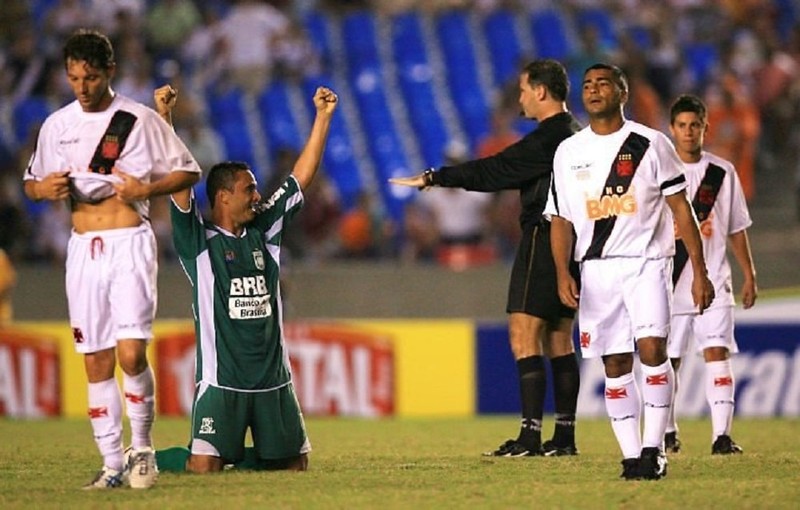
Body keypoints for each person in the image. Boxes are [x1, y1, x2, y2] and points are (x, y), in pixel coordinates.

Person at [22, 29, 201, 489]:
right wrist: (42, 190)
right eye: (74, 78)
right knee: (96, 362)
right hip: (82, 248)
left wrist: (146, 189)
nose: (82, 88)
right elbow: (33, 182)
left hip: (128, 241)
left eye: (91, 78)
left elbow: (187, 169)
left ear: (110, 72)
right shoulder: (56, 126)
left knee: (131, 353)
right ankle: (111, 464)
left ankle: (142, 448)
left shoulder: (137, 119)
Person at [391, 59, 582, 457]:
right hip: (572, 239)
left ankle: (530, 435)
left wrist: (435, 177)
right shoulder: (575, 134)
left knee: (523, 332)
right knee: (558, 336)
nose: (521, 98)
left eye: (524, 89)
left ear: (541, 92)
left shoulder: (550, 138)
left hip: (545, 236)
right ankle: (563, 436)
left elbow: (496, 170)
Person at [546, 63, 715, 480]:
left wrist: (700, 271)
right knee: (615, 363)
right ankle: (630, 456)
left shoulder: (651, 143)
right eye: (587, 84)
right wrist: (562, 273)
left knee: (654, 352)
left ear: (623, 92)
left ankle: (653, 447)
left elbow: (682, 210)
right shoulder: (568, 152)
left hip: (647, 264)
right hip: (596, 271)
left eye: (603, 83)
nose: (593, 89)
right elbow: (561, 219)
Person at [166, 85, 338, 473]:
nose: (258, 196)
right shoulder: (199, 243)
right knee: (203, 468)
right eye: (250, 189)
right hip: (221, 381)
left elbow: (300, 178)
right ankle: (149, 460)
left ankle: (238, 462)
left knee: (296, 466)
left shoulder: (266, 229)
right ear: (223, 197)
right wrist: (165, 118)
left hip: (273, 380)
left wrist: (323, 118)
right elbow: (178, 185)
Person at [665, 94, 756, 455]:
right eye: (682, 126)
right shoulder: (660, 170)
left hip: (715, 279)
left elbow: (736, 227)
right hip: (670, 279)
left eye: (695, 126)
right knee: (668, 358)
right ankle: (667, 430)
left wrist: (749, 273)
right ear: (672, 129)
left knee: (717, 353)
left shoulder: (722, 172)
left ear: (706, 127)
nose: (688, 133)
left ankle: (721, 436)